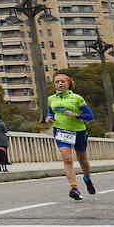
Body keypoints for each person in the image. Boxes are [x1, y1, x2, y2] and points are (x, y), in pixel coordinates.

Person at [44, 73, 96, 201]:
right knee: (67, 159)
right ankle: (74, 188)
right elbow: (51, 111)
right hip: (61, 131)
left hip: (79, 132)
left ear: (68, 84)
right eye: (57, 82)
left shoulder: (77, 98)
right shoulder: (51, 99)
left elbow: (90, 116)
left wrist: (76, 115)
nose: (60, 84)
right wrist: (49, 118)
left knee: (82, 160)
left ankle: (87, 178)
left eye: (63, 81)